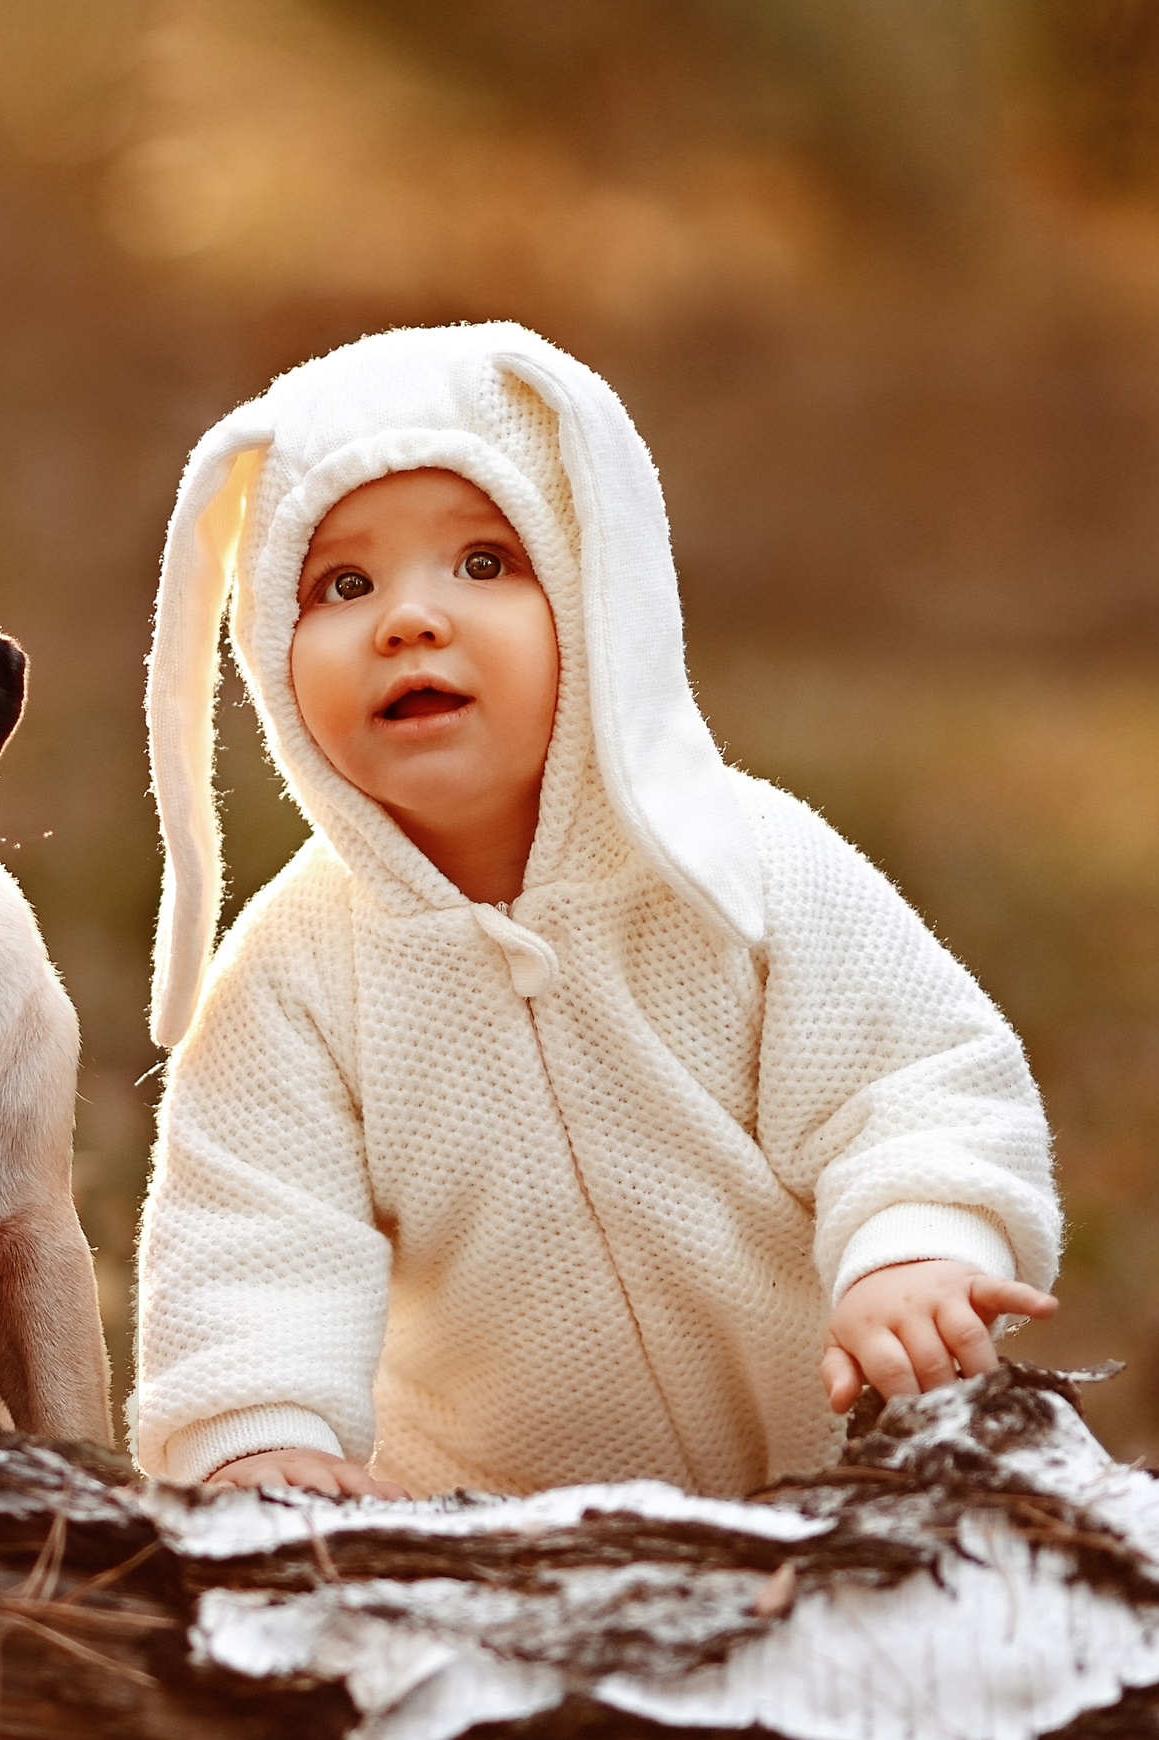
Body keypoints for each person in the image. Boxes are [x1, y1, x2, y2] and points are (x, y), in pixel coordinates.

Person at [127, 323, 1061, 1499]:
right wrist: (256, 1437)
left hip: (842, 1473)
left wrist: (913, 1249)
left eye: (482, 562)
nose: (408, 620)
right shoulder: (293, 974)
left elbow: (913, 1077)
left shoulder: (743, 864)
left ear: (591, 589)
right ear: (267, 641)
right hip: (492, 1529)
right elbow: (250, 1233)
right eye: (342, 585)